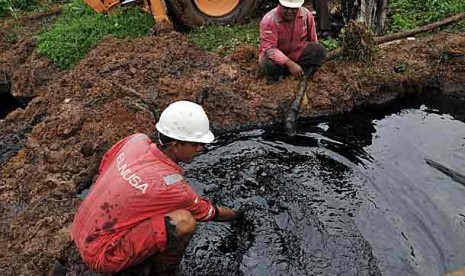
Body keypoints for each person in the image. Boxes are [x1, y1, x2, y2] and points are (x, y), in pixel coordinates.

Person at [71, 101, 242, 275]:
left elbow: (105, 167)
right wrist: (239, 215)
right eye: (195, 144)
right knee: (184, 221)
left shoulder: (135, 141)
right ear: (175, 145)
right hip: (101, 255)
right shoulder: (171, 186)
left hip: (80, 227)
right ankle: (159, 271)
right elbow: (209, 213)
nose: (200, 148)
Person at [259, 0, 327, 84]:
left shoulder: (306, 15)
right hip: (277, 56)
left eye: (293, 9)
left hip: (297, 53)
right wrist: (290, 64)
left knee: (319, 50)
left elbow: (313, 38)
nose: (289, 12)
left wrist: (314, 56)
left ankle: (301, 76)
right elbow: (269, 49)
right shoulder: (269, 20)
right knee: (268, 63)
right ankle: (275, 81)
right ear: (280, 5)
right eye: (286, 8)